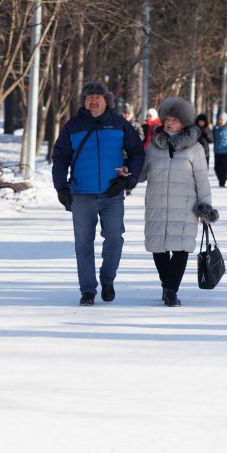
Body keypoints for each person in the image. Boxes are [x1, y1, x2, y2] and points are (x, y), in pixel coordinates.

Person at [51, 81, 146, 305]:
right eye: (89, 97)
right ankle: (87, 290)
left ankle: (107, 279)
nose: (93, 100)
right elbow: (60, 158)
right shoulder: (72, 127)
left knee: (114, 238)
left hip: (112, 194)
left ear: (107, 101)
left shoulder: (120, 125)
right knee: (83, 243)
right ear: (84, 102)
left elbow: (137, 153)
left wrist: (128, 181)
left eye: (98, 97)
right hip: (81, 194)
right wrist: (60, 187)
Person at [136, 96, 218, 307]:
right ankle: (167, 285)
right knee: (158, 249)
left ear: (184, 122)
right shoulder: (153, 146)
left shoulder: (195, 149)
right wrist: (128, 168)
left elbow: (202, 180)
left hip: (185, 208)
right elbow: (141, 174)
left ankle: (171, 290)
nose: (169, 123)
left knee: (181, 249)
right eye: (167, 118)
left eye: (174, 119)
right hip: (157, 206)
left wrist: (205, 208)